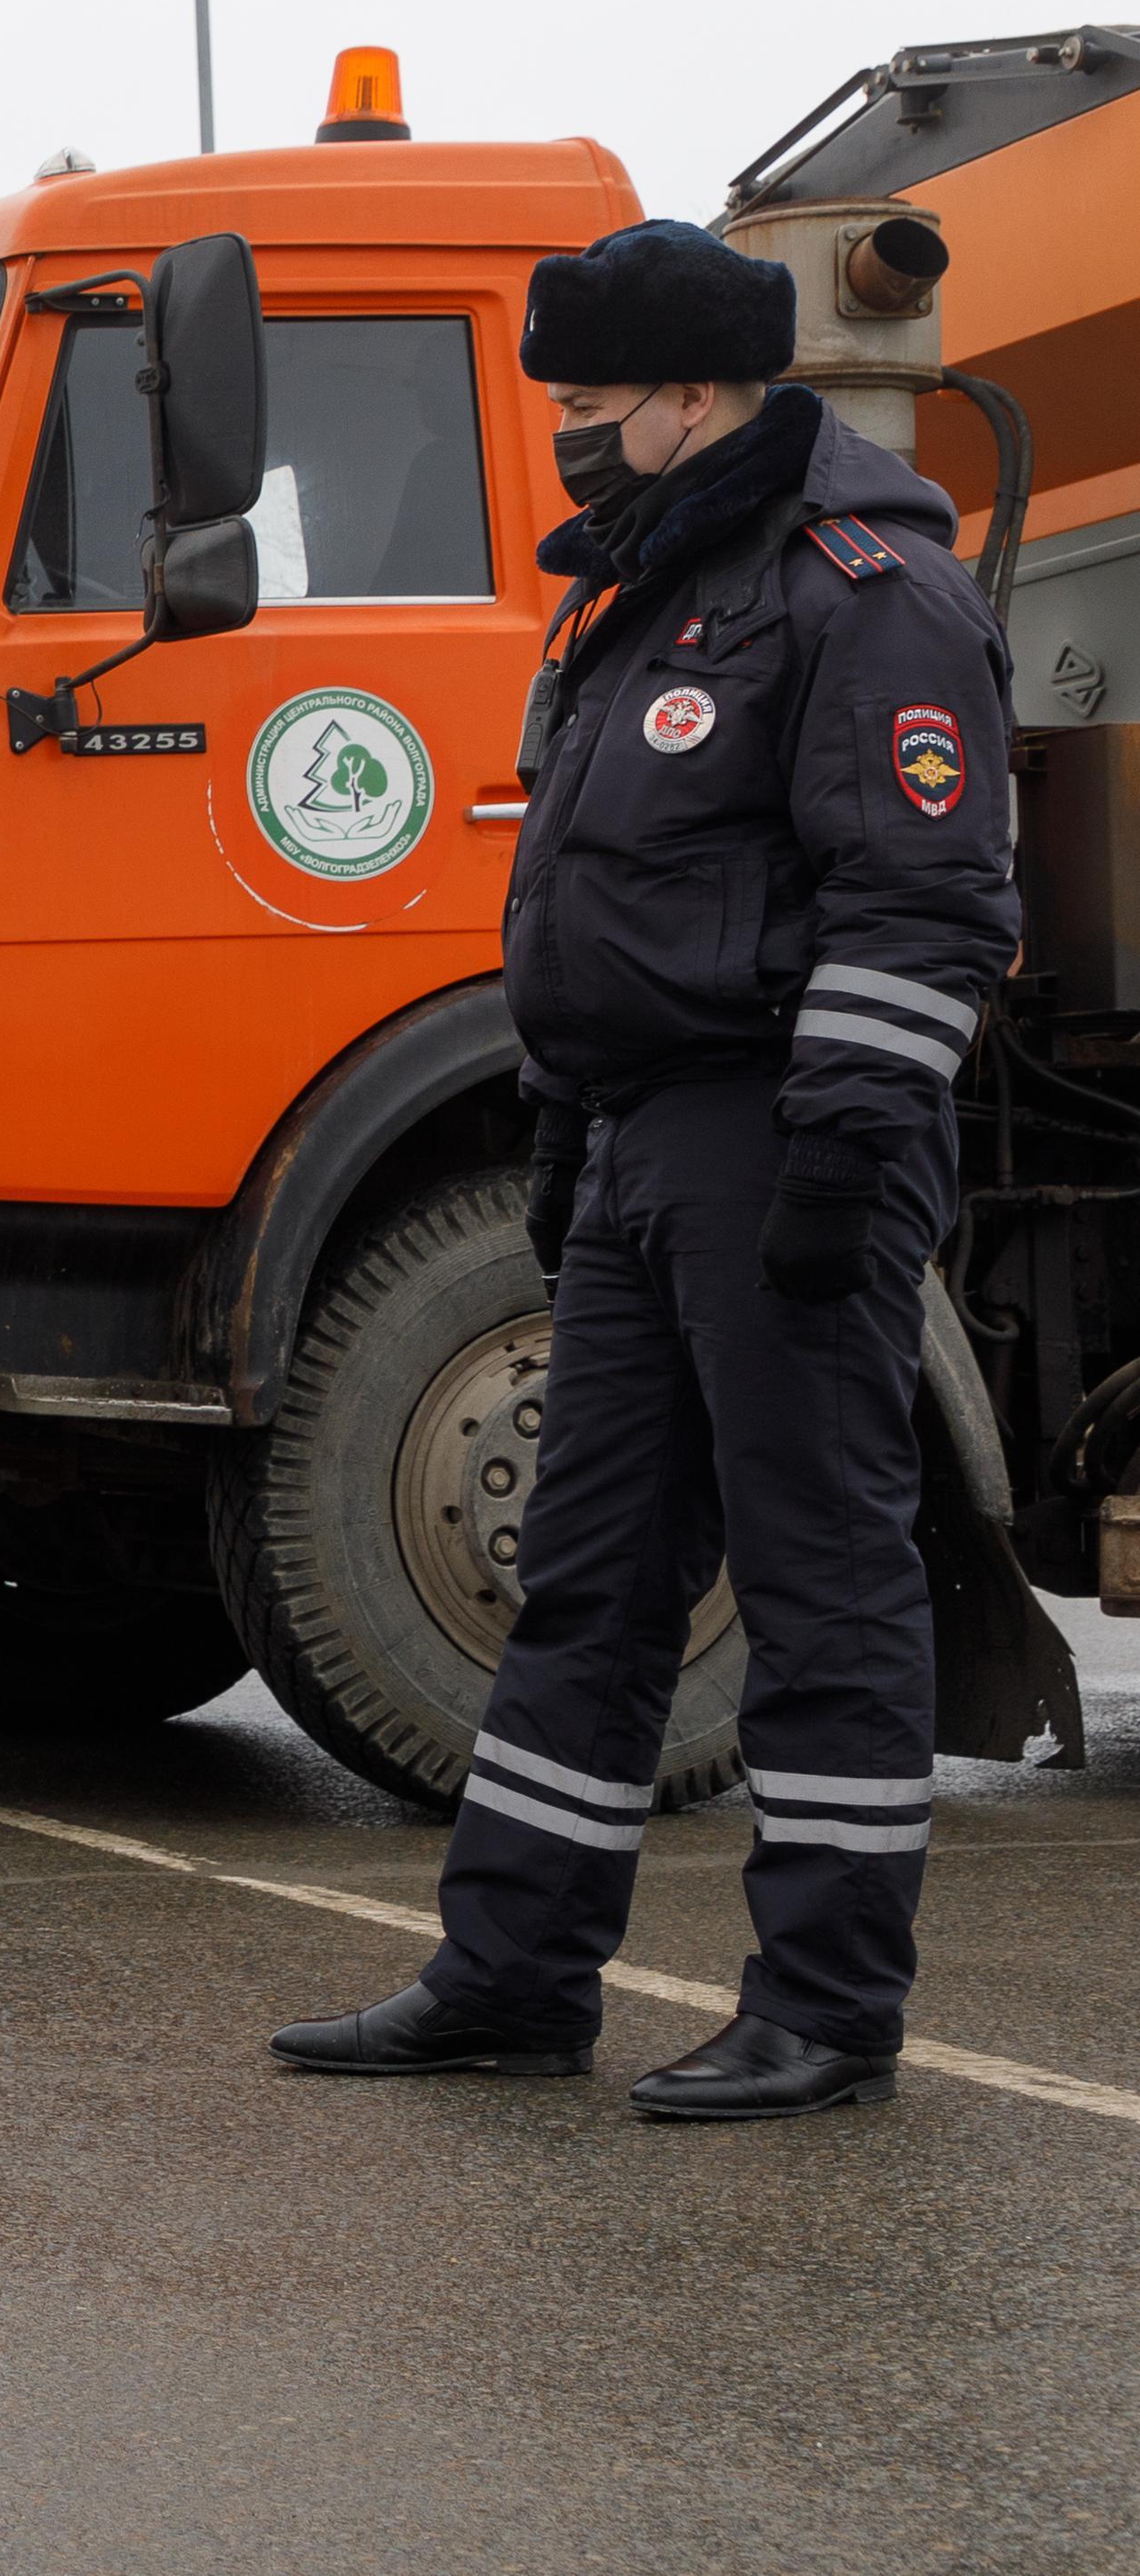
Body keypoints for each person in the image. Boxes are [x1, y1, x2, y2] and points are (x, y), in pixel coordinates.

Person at [270, 219, 1020, 2118]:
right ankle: (514, 1973)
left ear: (701, 393)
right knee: (588, 1582)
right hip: (631, 1146)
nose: (566, 441)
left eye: (589, 408)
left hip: (782, 1137)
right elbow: (603, 899)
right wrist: (559, 1120)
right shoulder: (644, 587)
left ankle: (827, 2004)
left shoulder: (861, 588)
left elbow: (923, 902)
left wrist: (842, 1161)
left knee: (819, 1571)